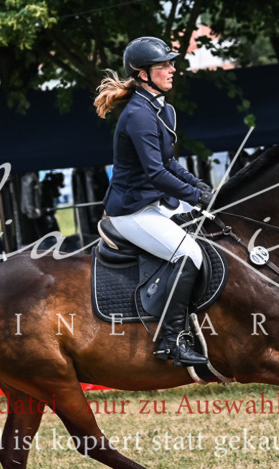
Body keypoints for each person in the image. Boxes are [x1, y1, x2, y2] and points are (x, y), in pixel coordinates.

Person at [93, 36, 213, 367]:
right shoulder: (138, 115)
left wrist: (199, 185)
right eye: (164, 66)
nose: (172, 70)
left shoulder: (162, 110)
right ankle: (171, 341)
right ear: (144, 74)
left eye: (171, 64)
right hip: (131, 211)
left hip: (155, 204)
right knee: (189, 254)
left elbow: (169, 163)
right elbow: (156, 173)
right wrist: (195, 196)